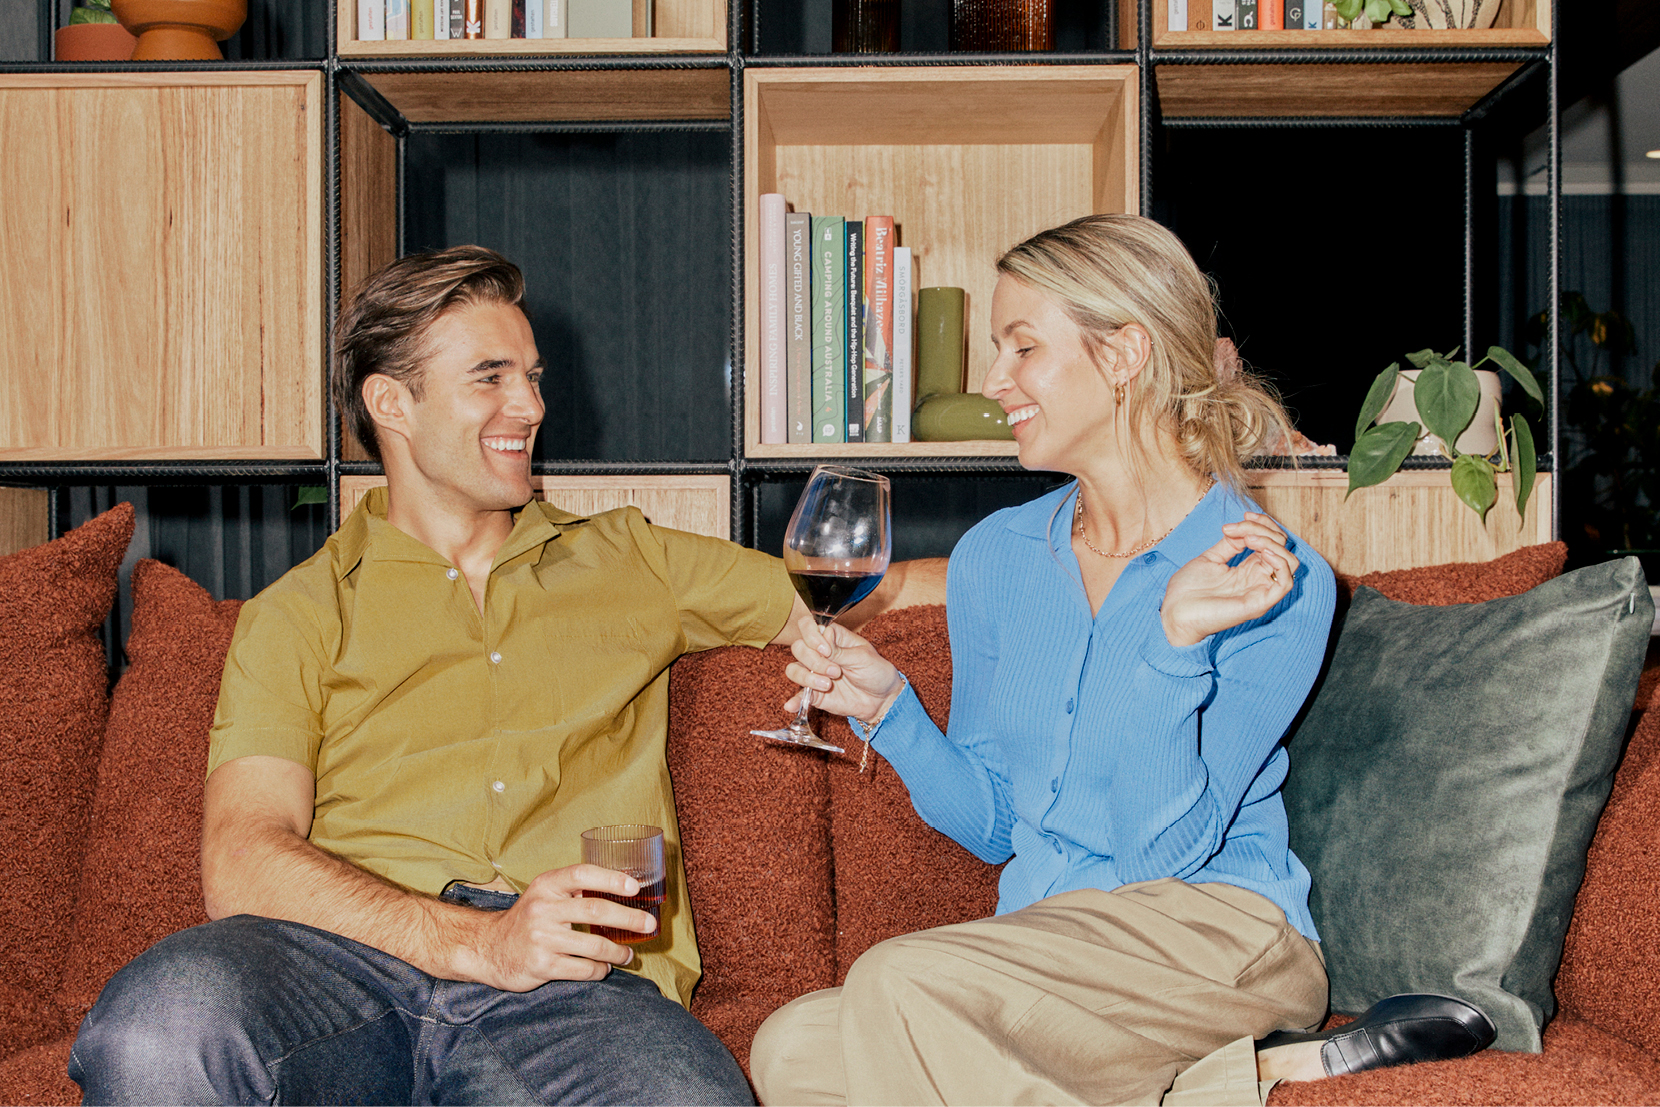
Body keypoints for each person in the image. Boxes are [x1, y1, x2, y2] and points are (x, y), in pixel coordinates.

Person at [749, 214, 1495, 1106]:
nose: (994, 381)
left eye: (1022, 347)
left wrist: (1173, 648)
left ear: (1124, 354)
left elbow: (1160, 852)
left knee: (899, 984)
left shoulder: (1270, 577)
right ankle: (1234, 1082)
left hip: (1215, 932)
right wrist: (893, 713)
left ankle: (1226, 1063)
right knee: (793, 1045)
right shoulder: (997, 556)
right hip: (1050, 944)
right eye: (997, 348)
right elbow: (996, 825)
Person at [67, 246, 817, 1106]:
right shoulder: (300, 612)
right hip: (341, 969)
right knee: (158, 1025)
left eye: (532, 376)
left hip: (575, 989)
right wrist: (472, 942)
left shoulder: (630, 559)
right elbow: (241, 856)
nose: (531, 405)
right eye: (490, 377)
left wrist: (1006, 547)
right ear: (391, 401)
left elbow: (856, 586)